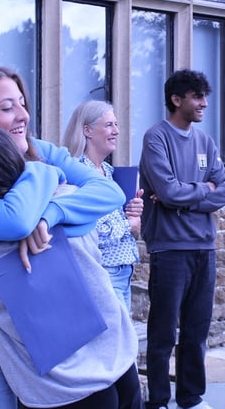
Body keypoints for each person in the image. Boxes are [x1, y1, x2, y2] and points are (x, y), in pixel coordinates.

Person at [0, 65, 127, 408]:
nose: (23, 115)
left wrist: (54, 212)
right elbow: (18, 222)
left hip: (38, 340)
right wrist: (45, 175)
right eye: (7, 108)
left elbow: (109, 193)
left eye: (22, 103)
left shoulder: (37, 148)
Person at [138, 69, 225, 409]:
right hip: (170, 248)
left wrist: (184, 196)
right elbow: (166, 190)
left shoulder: (206, 141)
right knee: (163, 332)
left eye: (204, 96)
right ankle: (159, 399)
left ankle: (191, 397)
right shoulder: (156, 138)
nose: (204, 103)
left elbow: (223, 192)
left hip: (204, 248)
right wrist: (201, 190)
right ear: (177, 100)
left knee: (196, 331)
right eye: (197, 96)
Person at [63, 100, 144, 311]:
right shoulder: (76, 174)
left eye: (116, 125)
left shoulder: (108, 172)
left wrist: (133, 215)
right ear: (87, 130)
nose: (116, 131)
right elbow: (90, 230)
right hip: (102, 272)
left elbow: (128, 231)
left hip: (124, 273)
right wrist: (129, 224)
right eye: (109, 125)